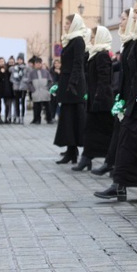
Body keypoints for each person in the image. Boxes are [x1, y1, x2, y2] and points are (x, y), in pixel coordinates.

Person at [95, 0, 137, 200]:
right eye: (134, 12)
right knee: (125, 142)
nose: (134, 15)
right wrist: (122, 99)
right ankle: (119, 184)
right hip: (133, 102)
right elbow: (128, 73)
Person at [92, 9, 132, 177]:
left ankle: (115, 166)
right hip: (123, 93)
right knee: (118, 130)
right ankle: (111, 162)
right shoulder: (125, 40)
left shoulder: (133, 39)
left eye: (123, 19)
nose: (120, 22)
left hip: (132, 94)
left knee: (123, 131)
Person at [73, 26, 113, 172]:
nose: (91, 39)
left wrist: (98, 98)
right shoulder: (94, 54)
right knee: (90, 130)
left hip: (101, 101)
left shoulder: (102, 55)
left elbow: (104, 80)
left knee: (105, 131)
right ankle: (87, 157)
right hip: (95, 100)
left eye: (93, 36)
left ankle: (109, 160)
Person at [54, 14, 89, 164]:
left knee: (73, 119)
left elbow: (78, 64)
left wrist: (72, 84)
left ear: (74, 24)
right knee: (67, 119)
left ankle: (74, 151)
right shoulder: (69, 40)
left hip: (73, 86)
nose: (65, 26)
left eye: (67, 23)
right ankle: (71, 151)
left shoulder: (78, 41)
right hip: (67, 83)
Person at [27, 57, 54, 125]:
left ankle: (49, 119)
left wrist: (48, 88)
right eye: (37, 63)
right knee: (36, 107)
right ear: (34, 64)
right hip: (36, 92)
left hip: (45, 91)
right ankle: (36, 119)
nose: (38, 64)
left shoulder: (46, 72)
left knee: (47, 106)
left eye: (40, 63)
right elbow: (29, 83)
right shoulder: (31, 73)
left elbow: (50, 81)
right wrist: (33, 90)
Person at [10, 53, 28, 124]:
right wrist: (15, 82)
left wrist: (23, 81)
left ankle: (22, 117)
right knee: (16, 102)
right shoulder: (14, 68)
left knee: (23, 102)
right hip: (16, 87)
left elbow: (28, 77)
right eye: (18, 59)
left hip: (23, 87)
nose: (19, 61)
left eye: (21, 59)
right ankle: (17, 116)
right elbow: (11, 78)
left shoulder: (26, 68)